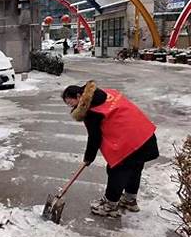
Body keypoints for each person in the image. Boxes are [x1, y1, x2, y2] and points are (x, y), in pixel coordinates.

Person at [62, 80, 159, 217]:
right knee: (135, 167)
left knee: (117, 171)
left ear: (79, 96)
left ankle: (110, 205)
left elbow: (95, 138)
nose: (69, 106)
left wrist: (88, 158)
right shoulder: (108, 92)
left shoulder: (92, 112)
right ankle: (130, 200)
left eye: (69, 102)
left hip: (130, 143)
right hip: (145, 135)